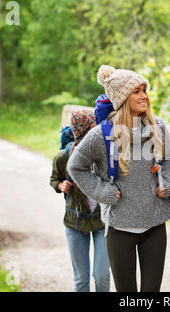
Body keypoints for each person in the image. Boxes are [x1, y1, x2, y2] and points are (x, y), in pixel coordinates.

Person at [67, 65, 170, 292]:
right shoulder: (101, 134)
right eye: (136, 91)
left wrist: (166, 184)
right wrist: (102, 192)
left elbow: (168, 163)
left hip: (155, 225)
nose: (144, 95)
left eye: (144, 89)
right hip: (119, 228)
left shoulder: (159, 128)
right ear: (122, 97)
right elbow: (75, 166)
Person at [50, 110, 111, 292]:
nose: (97, 132)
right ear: (83, 131)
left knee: (101, 275)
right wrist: (61, 186)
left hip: (102, 221)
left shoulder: (104, 154)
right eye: (93, 127)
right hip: (75, 222)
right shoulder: (63, 157)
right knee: (81, 279)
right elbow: (54, 179)